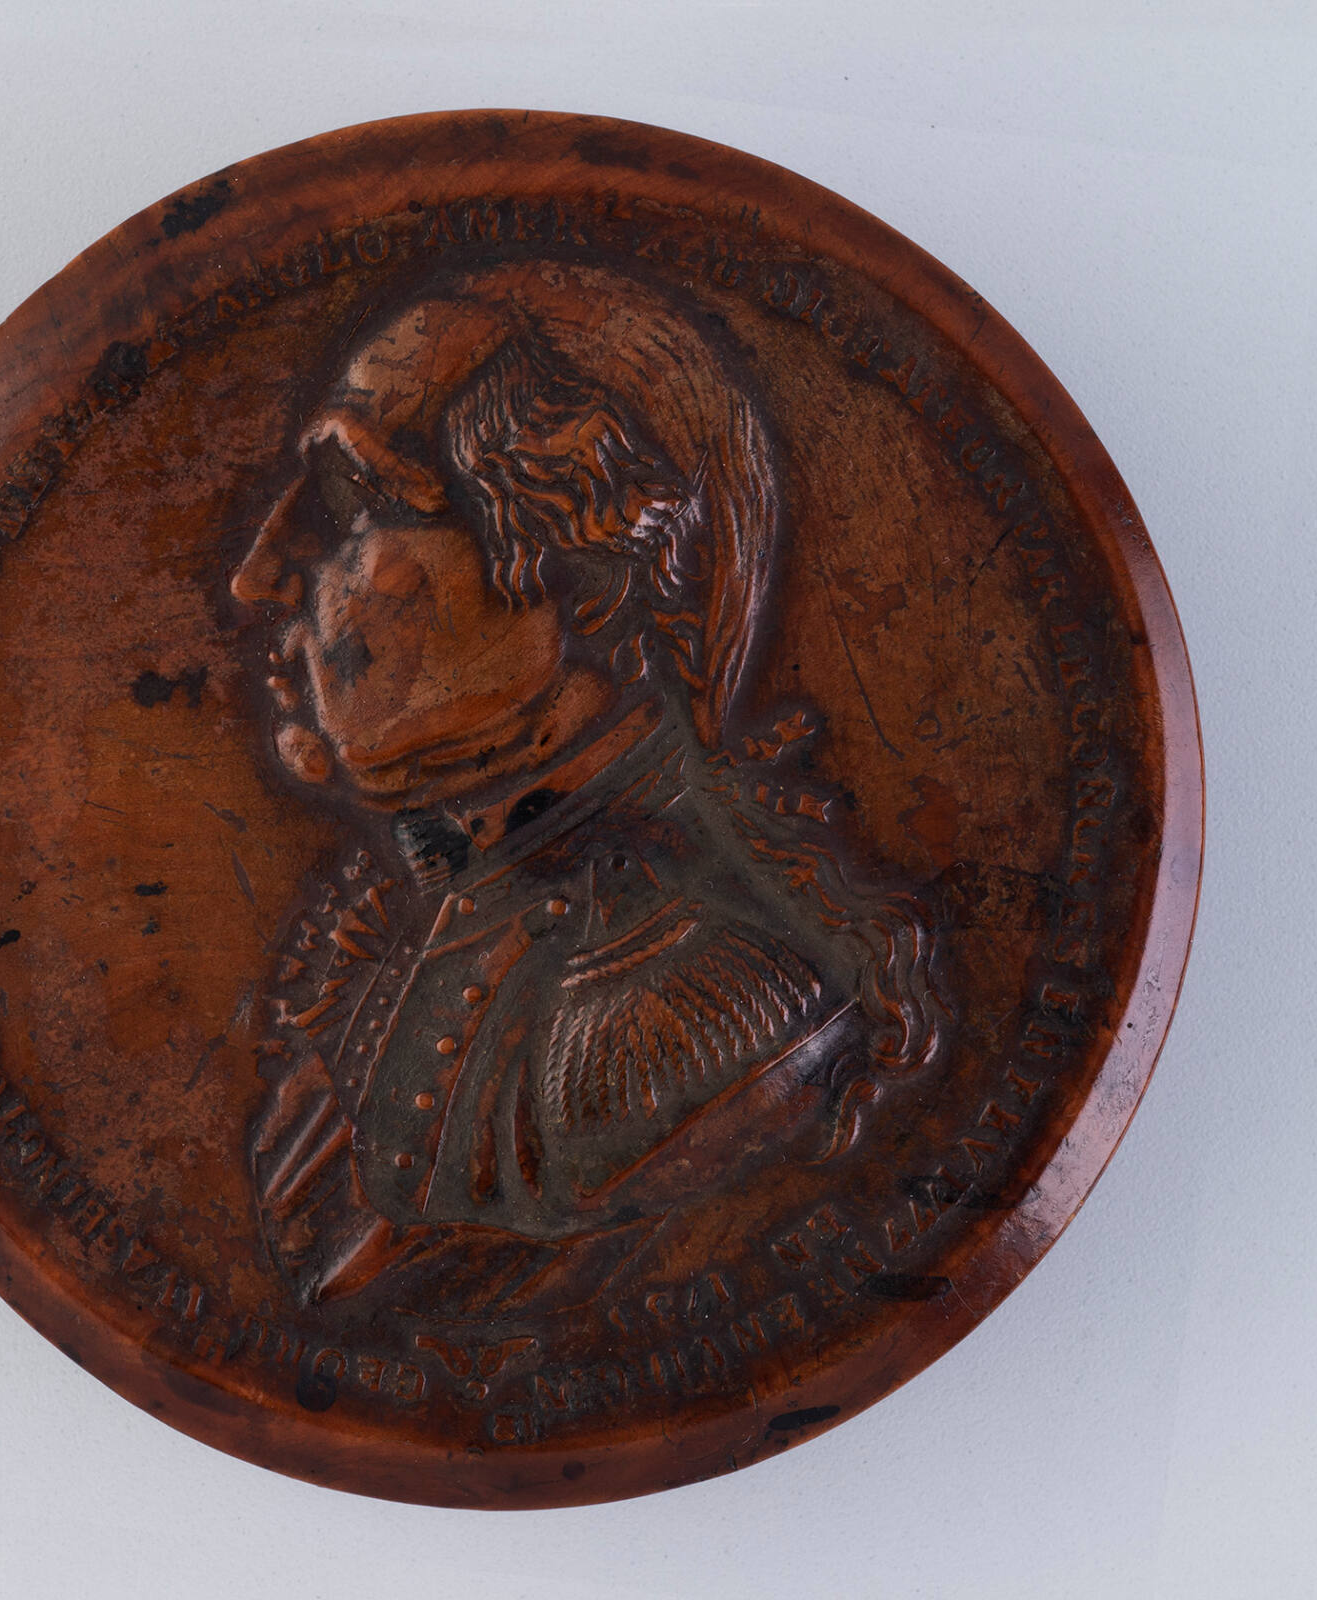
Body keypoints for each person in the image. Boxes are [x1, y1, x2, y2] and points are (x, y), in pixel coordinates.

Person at [231, 260, 944, 1315]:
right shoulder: (412, 942)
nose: (258, 573)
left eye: (354, 503)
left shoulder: (699, 1014)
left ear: (582, 564)